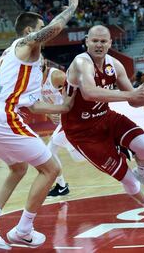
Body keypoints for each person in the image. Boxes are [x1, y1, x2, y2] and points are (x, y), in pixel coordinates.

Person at [0, 0, 79, 250]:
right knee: (51, 169)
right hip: (1, 114)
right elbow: (52, 30)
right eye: (40, 27)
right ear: (29, 31)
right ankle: (23, 229)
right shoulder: (23, 45)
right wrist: (71, 9)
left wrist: (62, 109)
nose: (45, 31)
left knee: (18, 169)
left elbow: (32, 105)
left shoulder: (20, 61)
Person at [62, 25, 144, 230]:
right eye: (95, 40)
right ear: (87, 41)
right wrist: (131, 94)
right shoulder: (81, 62)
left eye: (103, 41)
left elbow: (133, 99)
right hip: (82, 133)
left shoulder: (115, 65)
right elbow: (89, 93)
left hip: (106, 118)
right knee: (129, 181)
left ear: (110, 43)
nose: (99, 45)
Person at [40, 58, 85, 197]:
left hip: (72, 116)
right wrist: (49, 113)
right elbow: (36, 102)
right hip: (63, 119)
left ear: (45, 65)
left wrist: (70, 110)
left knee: (74, 156)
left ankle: (111, 145)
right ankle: (61, 186)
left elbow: (78, 89)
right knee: (50, 152)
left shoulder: (56, 76)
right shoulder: (32, 80)